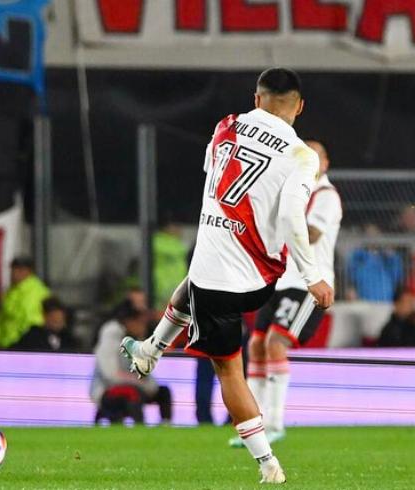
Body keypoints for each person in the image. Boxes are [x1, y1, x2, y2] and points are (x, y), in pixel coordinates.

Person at [120, 68, 334, 484]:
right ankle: (150, 350)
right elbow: (291, 215)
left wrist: (311, 277)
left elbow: (217, 184)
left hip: (218, 280)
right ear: (300, 107)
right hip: (261, 278)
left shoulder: (227, 126)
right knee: (193, 283)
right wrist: (313, 275)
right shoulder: (301, 155)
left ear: (257, 99)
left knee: (228, 372)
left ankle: (268, 465)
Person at [233, 139, 342, 447]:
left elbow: (312, 233)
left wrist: (276, 223)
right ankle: (254, 426)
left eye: (316, 157)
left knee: (275, 343)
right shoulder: (292, 194)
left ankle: (276, 423)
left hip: (310, 283)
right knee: (255, 345)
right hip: (281, 282)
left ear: (326, 163)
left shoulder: (326, 196)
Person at [90, 300, 172, 424]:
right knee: (134, 395)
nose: (144, 327)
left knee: (163, 392)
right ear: (130, 322)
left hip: (132, 386)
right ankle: (140, 429)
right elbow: (111, 375)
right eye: (141, 323)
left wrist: (148, 385)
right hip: (106, 389)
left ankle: (166, 426)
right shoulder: (110, 340)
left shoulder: (136, 340)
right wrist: (141, 383)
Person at [0, 257, 50, 350]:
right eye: (13, 270)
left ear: (29, 271)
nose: (14, 274)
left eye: (19, 270)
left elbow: (35, 322)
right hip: (4, 347)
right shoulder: (10, 292)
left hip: (25, 347)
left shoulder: (40, 292)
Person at [346, 223, 403, 301]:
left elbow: (397, 276)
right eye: (368, 234)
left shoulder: (388, 256)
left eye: (375, 234)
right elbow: (352, 276)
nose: (372, 237)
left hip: (385, 301)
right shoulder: (358, 256)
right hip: (364, 301)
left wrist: (391, 257)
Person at [11, 297, 77, 352]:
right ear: (45, 317)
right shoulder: (32, 336)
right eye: (54, 319)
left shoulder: (69, 340)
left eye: (60, 320)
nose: (57, 323)